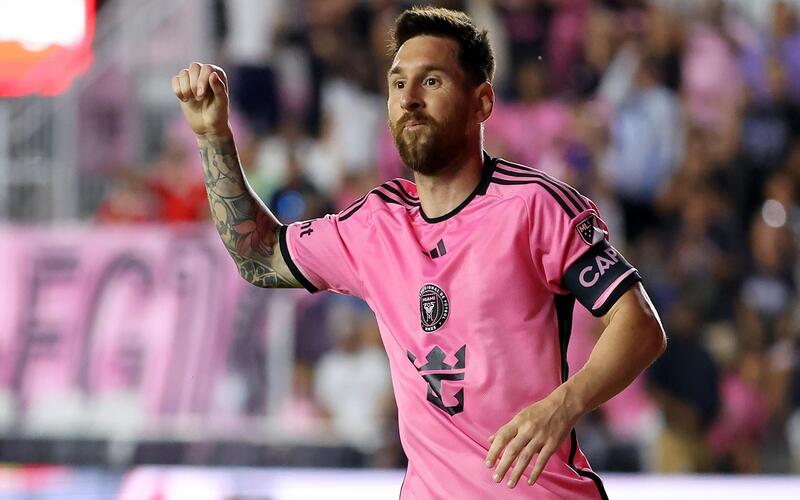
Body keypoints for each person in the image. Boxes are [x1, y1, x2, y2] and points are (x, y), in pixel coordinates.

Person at [172, 7, 666, 499]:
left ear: (481, 102)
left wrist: (564, 405)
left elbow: (640, 324)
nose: (409, 98)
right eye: (397, 83)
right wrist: (213, 137)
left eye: (431, 81)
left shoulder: (535, 206)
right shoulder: (375, 225)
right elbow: (258, 256)